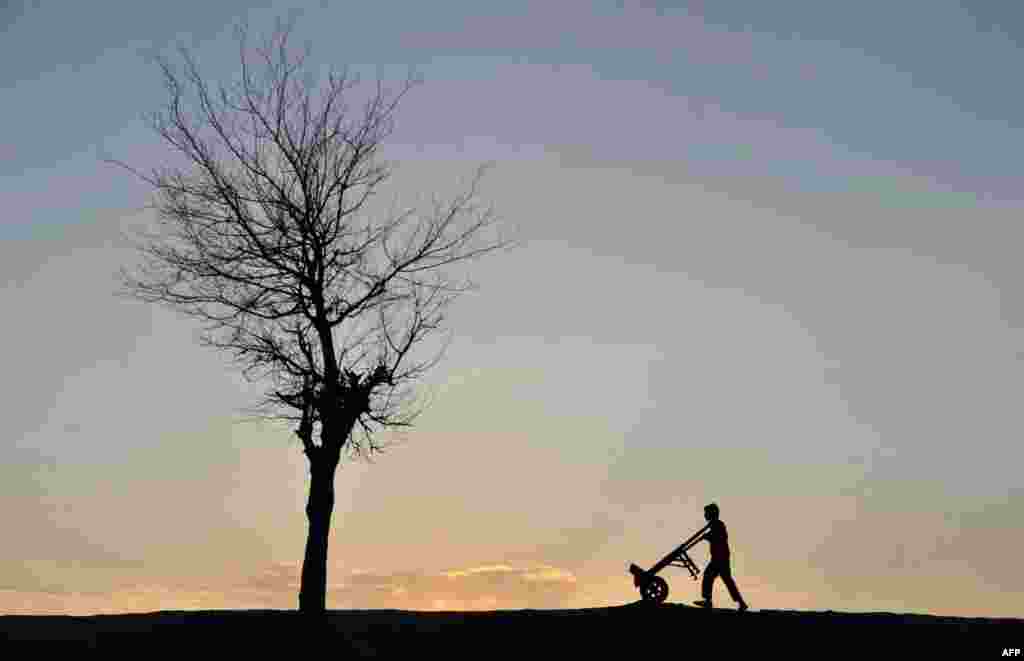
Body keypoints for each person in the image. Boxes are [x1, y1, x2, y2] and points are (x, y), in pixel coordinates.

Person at [693, 503, 749, 612]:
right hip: (720, 556)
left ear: (712, 514)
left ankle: (708, 600)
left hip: (720, 557)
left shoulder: (718, 525)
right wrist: (707, 536)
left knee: (709, 575)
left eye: (706, 513)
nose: (705, 515)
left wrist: (708, 537)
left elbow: (719, 537)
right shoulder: (714, 524)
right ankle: (741, 603)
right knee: (726, 579)